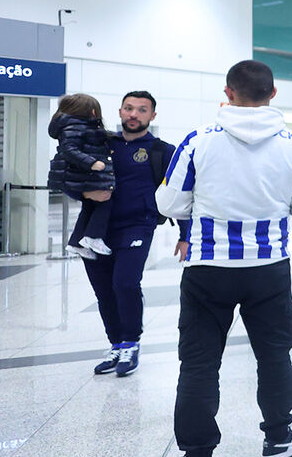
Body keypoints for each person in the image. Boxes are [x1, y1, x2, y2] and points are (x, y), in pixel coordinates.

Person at [156, 60, 292, 457]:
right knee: (274, 356)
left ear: (228, 93)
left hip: (207, 270)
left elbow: (168, 202)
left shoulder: (198, 140)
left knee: (198, 363)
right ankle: (279, 437)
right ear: (273, 94)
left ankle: (197, 449)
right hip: (269, 270)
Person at [70, 90, 190, 377]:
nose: (134, 114)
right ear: (121, 111)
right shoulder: (100, 144)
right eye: (129, 108)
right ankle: (115, 344)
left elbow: (180, 194)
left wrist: (185, 235)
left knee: (125, 283)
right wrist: (84, 191)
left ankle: (130, 344)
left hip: (138, 225)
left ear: (152, 115)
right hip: (96, 229)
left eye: (141, 110)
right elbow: (68, 177)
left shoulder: (163, 150)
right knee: (103, 290)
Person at [47, 93, 116, 258]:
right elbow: (69, 150)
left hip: (72, 178)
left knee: (90, 205)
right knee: (105, 199)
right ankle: (93, 237)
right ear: (92, 111)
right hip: (72, 177)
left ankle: (76, 243)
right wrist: (91, 162)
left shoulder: (74, 126)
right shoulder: (75, 127)